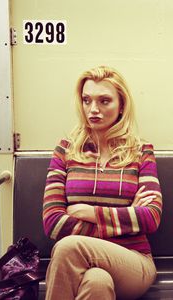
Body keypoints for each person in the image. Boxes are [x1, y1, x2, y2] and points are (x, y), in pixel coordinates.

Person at [42, 66, 162, 300]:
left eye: (104, 101)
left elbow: (151, 216)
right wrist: (127, 214)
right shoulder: (65, 150)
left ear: (122, 106)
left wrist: (91, 213)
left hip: (133, 261)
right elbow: (53, 222)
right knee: (97, 282)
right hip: (86, 265)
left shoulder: (140, 151)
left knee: (69, 246)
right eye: (87, 100)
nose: (93, 109)